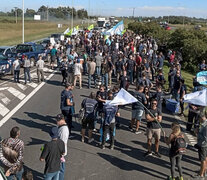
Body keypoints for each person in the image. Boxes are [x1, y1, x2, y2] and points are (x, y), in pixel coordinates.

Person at [193, 115, 207, 180]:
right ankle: (204, 171)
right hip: (204, 145)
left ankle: (201, 175)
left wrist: (197, 132)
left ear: (201, 118)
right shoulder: (204, 124)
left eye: (199, 119)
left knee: (202, 160)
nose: (199, 121)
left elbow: (205, 138)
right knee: (205, 158)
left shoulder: (205, 126)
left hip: (203, 145)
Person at [56, 114, 69, 180]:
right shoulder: (61, 126)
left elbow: (62, 142)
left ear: (63, 120)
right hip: (60, 151)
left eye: (58, 120)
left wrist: (61, 153)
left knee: (60, 169)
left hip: (60, 152)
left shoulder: (64, 130)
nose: (57, 122)